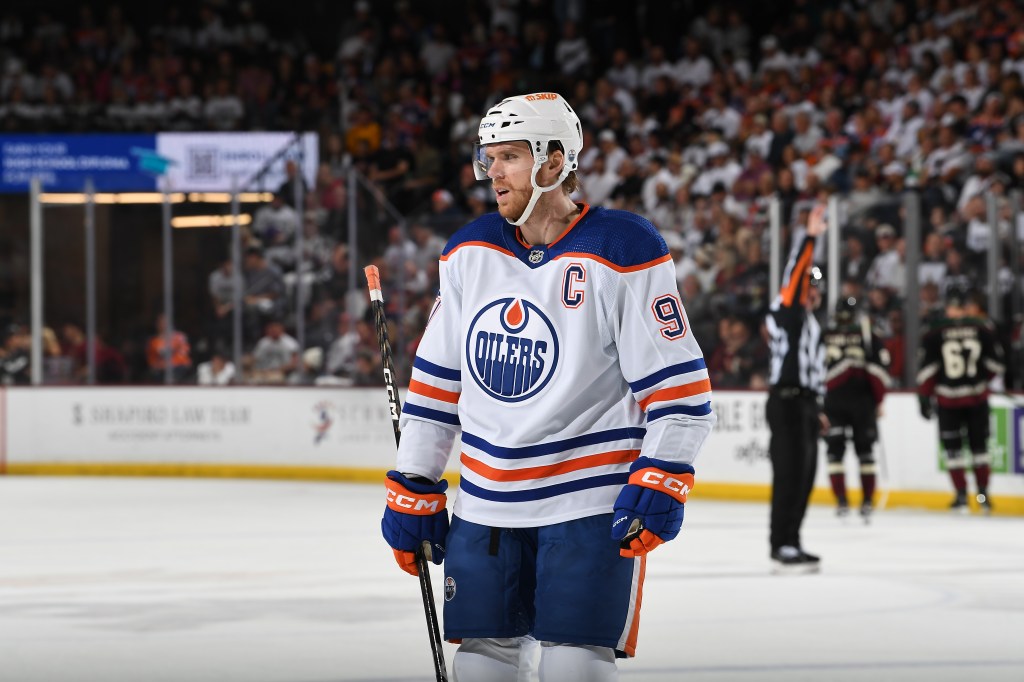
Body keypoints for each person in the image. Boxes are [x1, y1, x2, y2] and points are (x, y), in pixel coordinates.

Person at [379, 92, 715, 681]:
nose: (493, 173)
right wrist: (415, 479)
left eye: (509, 156)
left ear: (554, 162)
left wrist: (664, 472)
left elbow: (680, 394)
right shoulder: (468, 251)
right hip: (485, 504)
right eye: (489, 158)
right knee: (482, 670)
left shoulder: (623, 247)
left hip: (587, 505)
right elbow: (435, 388)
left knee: (573, 671)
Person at [764, 205, 828, 573]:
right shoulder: (786, 310)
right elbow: (795, 274)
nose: (813, 292)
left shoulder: (811, 323)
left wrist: (819, 407)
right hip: (785, 401)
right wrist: (810, 237)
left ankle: (793, 539)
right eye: (811, 285)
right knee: (788, 474)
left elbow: (816, 370)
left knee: (804, 476)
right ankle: (780, 543)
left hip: (804, 403)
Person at [917, 288, 1005, 514]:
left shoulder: (935, 332)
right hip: (976, 398)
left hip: (948, 400)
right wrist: (980, 381)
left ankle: (961, 496)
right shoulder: (981, 328)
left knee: (953, 451)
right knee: (979, 449)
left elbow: (928, 370)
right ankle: (983, 496)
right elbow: (996, 365)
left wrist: (924, 397)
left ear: (948, 307)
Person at [822, 296, 890, 522]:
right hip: (860, 402)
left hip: (837, 403)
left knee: (837, 454)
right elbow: (878, 368)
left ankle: (845, 501)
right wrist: (879, 399)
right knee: (864, 454)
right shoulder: (866, 335)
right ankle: (864, 501)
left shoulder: (825, 336)